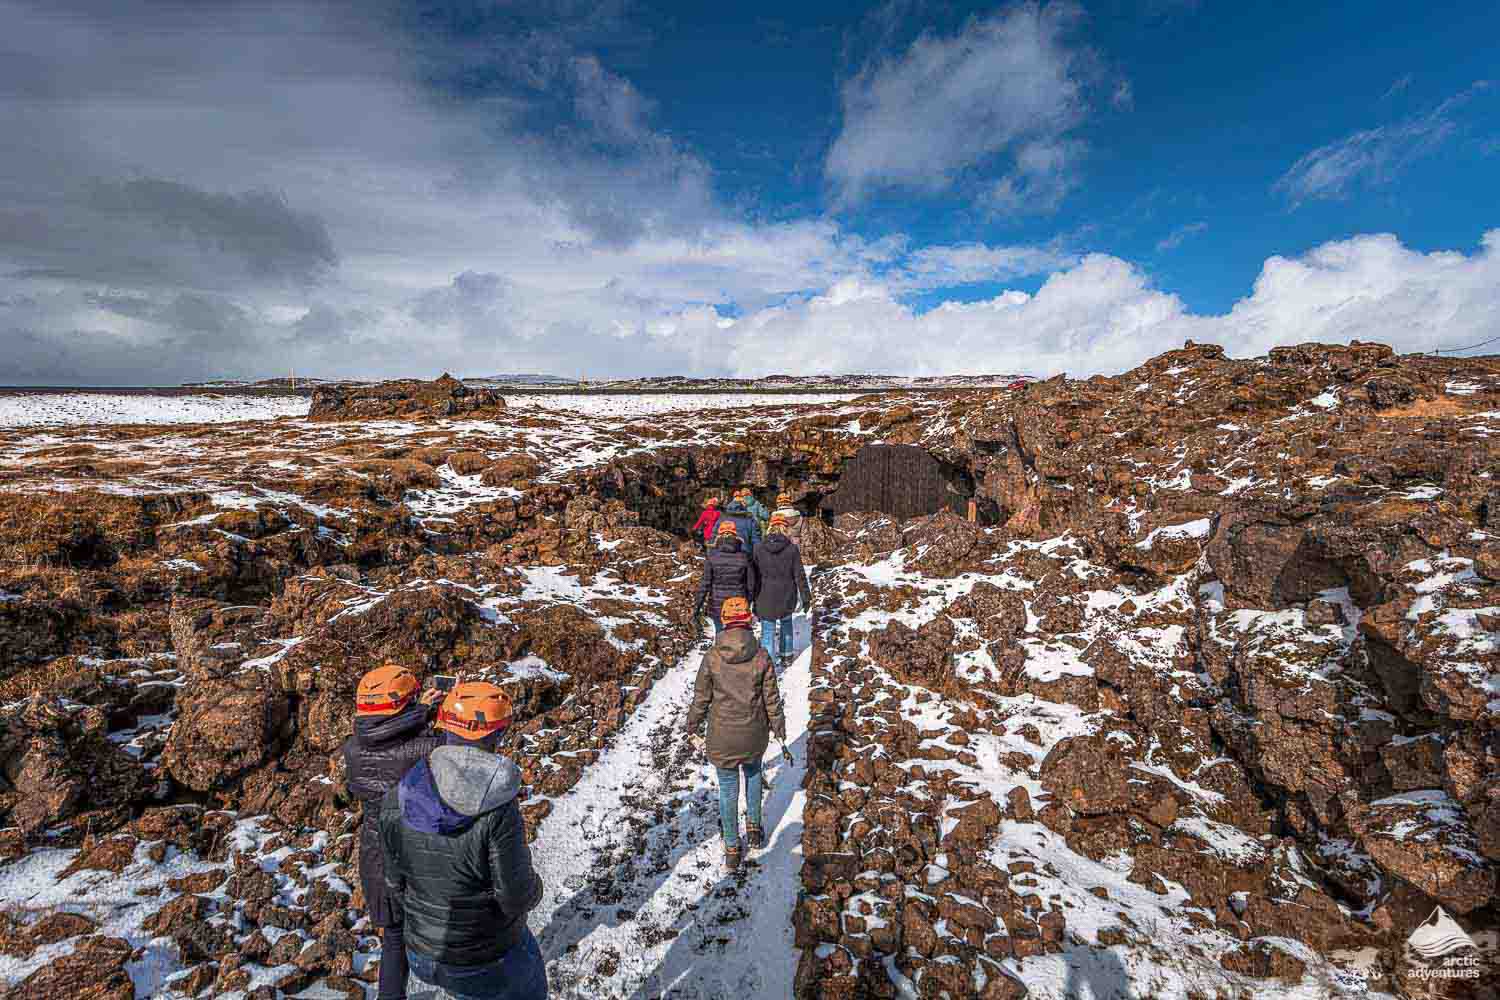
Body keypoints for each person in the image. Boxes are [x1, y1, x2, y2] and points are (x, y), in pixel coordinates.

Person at [379, 682, 547, 1000]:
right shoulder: (498, 808)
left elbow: (394, 882)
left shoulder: (399, 793)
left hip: (420, 953)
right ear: (497, 734)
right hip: (481, 957)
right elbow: (515, 897)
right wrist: (535, 888)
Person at [342, 665, 444, 1000]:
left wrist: (419, 711)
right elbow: (448, 747)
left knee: (394, 939)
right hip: (419, 858)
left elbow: (387, 738)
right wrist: (431, 715)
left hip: (376, 859)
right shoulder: (425, 748)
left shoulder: (353, 749)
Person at [685, 596, 786, 872]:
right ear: (749, 620)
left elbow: (701, 698)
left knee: (728, 790)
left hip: (722, 736)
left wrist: (691, 725)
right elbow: (772, 700)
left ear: (725, 621)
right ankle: (754, 828)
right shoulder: (762, 655)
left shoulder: (713, 657)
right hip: (754, 734)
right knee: (753, 775)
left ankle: (732, 847)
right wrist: (779, 729)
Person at [751, 514, 811, 670]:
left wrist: (750, 596)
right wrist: (806, 598)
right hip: (786, 595)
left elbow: (753, 575)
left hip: (764, 596)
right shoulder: (791, 549)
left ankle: (768, 665)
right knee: (786, 624)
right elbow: (800, 575)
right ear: (786, 528)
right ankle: (787, 656)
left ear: (770, 527)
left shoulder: (758, 548)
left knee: (768, 631)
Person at [693, 519, 759, 638]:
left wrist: (698, 606)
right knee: (738, 637)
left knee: (720, 635)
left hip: (717, 606)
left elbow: (705, 584)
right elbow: (751, 584)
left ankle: (719, 655)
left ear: (719, 535)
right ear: (736, 535)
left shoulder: (712, 556)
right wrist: (748, 601)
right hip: (738, 604)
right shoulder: (744, 556)